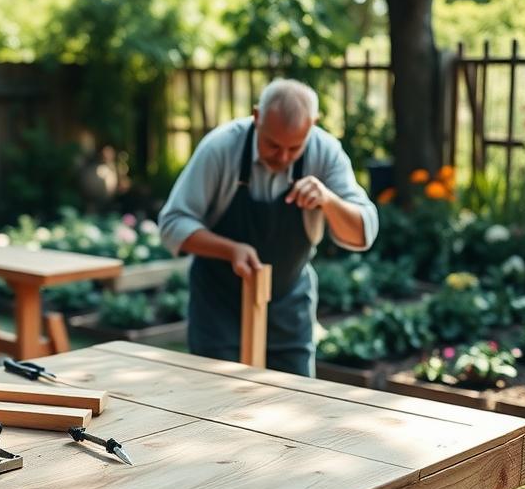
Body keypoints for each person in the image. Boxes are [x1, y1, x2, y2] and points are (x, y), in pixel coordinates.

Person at [159, 78, 379, 379]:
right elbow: (172, 223)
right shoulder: (221, 147)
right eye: (273, 145)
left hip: (289, 301)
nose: (284, 157)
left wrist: (328, 200)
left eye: (295, 148)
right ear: (257, 116)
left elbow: (363, 232)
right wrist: (230, 249)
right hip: (217, 302)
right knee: (212, 405)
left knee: (295, 403)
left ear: (312, 125)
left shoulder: (326, 151)